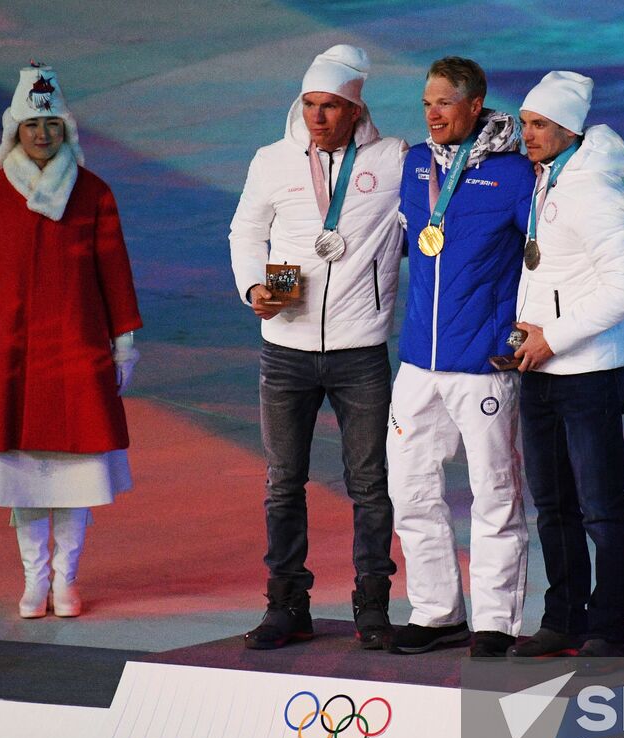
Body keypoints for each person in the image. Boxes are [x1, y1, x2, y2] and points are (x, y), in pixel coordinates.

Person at [229, 45, 407, 650]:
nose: (318, 117)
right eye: (310, 104)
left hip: (361, 351)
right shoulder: (272, 161)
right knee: (283, 482)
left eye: (331, 106)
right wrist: (254, 284)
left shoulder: (392, 160)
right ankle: (286, 605)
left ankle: (373, 606)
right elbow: (246, 230)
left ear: (357, 110)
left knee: (370, 484)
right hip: (285, 348)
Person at [0, 64, 142, 619]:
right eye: (33, 126)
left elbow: (114, 273)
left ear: (66, 131)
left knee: (75, 476)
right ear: (15, 130)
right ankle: (35, 580)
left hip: (78, 352)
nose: (42, 135)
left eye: (52, 125)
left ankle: (66, 580)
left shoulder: (94, 194)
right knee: (24, 478)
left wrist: (123, 343)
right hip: (13, 355)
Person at [387, 56, 536, 657]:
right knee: (410, 490)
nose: (432, 114)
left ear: (475, 104)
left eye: (444, 103)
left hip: (483, 363)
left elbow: (545, 254)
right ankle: (436, 611)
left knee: (494, 494)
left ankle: (497, 622)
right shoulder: (416, 164)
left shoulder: (513, 173)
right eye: (426, 103)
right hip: (418, 361)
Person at [508, 71, 624, 658]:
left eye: (539, 124)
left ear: (569, 128)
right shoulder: (547, 181)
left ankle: (609, 624)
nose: (528, 134)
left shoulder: (594, 189)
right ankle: (563, 616)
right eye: (524, 123)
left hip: (587, 373)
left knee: (600, 506)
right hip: (539, 370)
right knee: (553, 506)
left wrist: (554, 338)